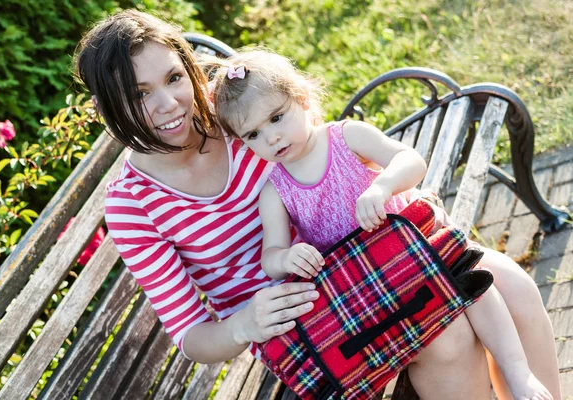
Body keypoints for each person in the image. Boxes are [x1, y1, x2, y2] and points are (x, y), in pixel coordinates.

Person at [74, 9, 561, 400]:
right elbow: (191, 336)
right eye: (139, 95)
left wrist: (391, 192)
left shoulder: (236, 115)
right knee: (446, 334)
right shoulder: (132, 205)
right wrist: (246, 321)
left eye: (174, 77)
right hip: (301, 312)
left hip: (369, 255)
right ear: (106, 108)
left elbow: (323, 154)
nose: (169, 104)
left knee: (511, 284)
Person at [208, 50, 557, 400]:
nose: (271, 138)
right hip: (373, 281)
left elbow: (410, 160)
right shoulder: (275, 190)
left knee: (472, 286)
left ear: (300, 97)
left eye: (276, 117)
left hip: (418, 248)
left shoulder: (346, 138)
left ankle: (518, 374)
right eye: (253, 134)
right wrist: (285, 258)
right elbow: (271, 254)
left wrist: (383, 185)